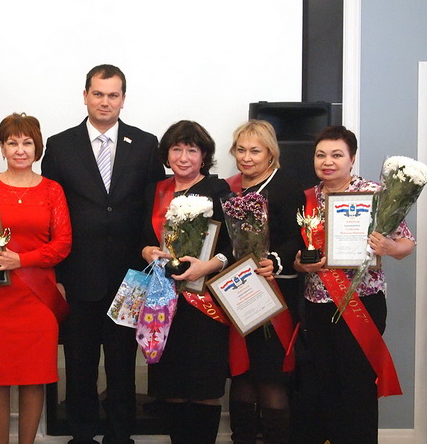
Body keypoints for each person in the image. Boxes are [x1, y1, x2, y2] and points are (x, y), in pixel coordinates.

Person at [41, 64, 165, 444]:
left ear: (123, 99)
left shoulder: (145, 144)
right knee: (80, 365)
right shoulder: (60, 145)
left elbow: (155, 207)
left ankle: (119, 435)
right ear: (85, 96)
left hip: (131, 277)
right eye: (98, 94)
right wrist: (56, 275)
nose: (105, 102)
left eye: (113, 95)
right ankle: (82, 436)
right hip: (78, 276)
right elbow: (50, 212)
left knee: (122, 365)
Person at [141, 120, 275, 444]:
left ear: (204, 156)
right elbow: (140, 236)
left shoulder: (219, 191)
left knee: (204, 389)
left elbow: (236, 246)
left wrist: (209, 266)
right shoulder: (155, 190)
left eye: (192, 150)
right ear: (166, 154)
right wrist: (146, 250)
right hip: (164, 302)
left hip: (205, 306)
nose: (183, 157)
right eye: (176, 149)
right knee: (171, 387)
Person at [291, 125, 415, 443]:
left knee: (358, 384)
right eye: (321, 155)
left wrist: (388, 247)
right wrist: (301, 264)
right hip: (318, 304)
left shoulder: (374, 194)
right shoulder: (306, 198)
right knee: (326, 383)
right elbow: (297, 256)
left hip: (363, 304)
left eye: (336, 155)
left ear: (352, 158)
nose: (327, 162)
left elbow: (406, 245)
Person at [0, 113, 72, 444]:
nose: (20, 150)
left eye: (27, 143)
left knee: (35, 379)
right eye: (12, 142)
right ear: (2, 148)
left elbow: (63, 244)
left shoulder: (52, 190)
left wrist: (21, 260)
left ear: (38, 148)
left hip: (37, 299)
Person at [225, 120, 304, 443]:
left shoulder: (286, 185)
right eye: (241, 150)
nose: (247, 157)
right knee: (241, 374)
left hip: (275, 294)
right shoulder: (229, 188)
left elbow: (298, 237)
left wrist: (275, 260)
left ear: (271, 153)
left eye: (255, 151)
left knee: (271, 377)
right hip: (237, 294)